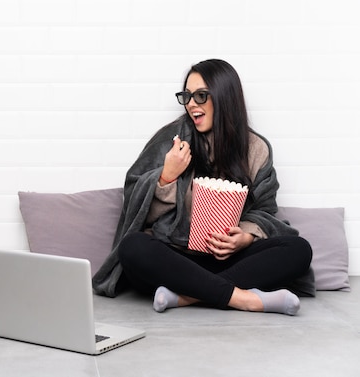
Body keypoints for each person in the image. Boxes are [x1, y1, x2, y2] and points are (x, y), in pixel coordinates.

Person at [92, 59, 314, 315]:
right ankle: (246, 299)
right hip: (176, 258)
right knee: (133, 248)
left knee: (298, 250)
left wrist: (245, 237)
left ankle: (186, 296)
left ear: (225, 97)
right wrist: (166, 177)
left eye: (200, 96)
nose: (191, 104)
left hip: (227, 261)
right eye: (187, 96)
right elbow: (134, 200)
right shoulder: (171, 138)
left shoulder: (256, 149)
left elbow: (265, 209)